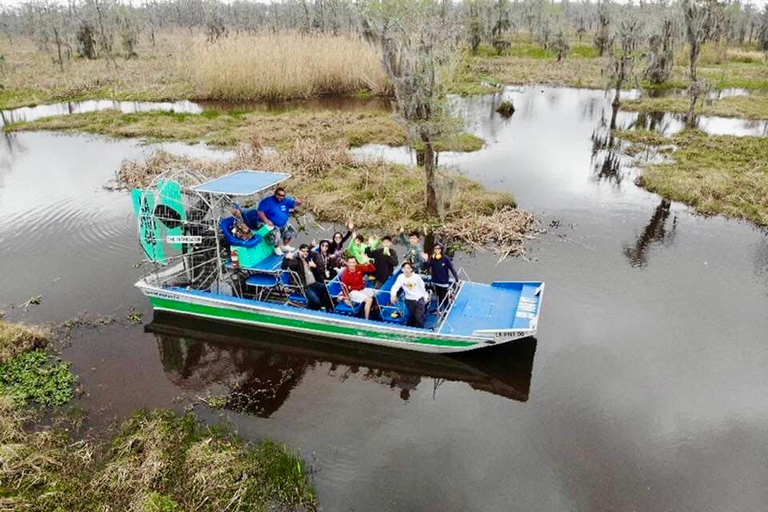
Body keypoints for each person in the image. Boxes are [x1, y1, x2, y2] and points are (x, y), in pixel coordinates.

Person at [282, 244, 333, 311]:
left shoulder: (306, 259)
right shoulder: (296, 261)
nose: (305, 253)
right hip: (304, 287)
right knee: (316, 301)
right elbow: (285, 267)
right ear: (299, 251)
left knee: (326, 288)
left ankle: (322, 305)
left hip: (313, 283)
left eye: (307, 251)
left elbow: (313, 253)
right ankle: (309, 310)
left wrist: (311, 245)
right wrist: (286, 259)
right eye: (303, 251)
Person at [255, 187, 303, 255]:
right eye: (279, 195)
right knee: (275, 234)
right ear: (275, 194)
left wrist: (298, 202)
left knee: (290, 230)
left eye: (282, 196)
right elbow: (260, 212)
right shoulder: (267, 201)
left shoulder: (286, 200)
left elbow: (295, 203)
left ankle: (285, 246)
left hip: (282, 223)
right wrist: (266, 220)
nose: (280, 197)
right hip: (267, 223)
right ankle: (276, 247)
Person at [390, 261, 429, 328]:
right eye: (404, 268)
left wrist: (425, 297)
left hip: (418, 300)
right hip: (408, 300)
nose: (406, 270)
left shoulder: (416, 277)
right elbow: (395, 287)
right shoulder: (400, 277)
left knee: (419, 317)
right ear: (402, 270)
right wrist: (393, 295)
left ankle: (419, 331)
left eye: (408, 268)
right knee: (412, 316)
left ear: (411, 269)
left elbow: (422, 288)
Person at [421, 242, 459, 310]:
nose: (437, 250)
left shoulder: (446, 258)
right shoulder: (432, 258)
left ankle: (447, 309)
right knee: (438, 297)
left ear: (441, 249)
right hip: (435, 281)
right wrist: (425, 260)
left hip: (444, 283)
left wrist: (457, 279)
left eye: (438, 249)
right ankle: (439, 309)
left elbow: (452, 269)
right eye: (435, 249)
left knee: (445, 298)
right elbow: (426, 267)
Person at [340, 255, 377, 320]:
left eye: (353, 262)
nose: (352, 264)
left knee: (379, 293)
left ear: (356, 263)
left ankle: (374, 309)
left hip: (362, 289)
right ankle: (366, 319)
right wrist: (346, 299)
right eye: (350, 262)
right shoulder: (345, 275)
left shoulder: (359, 267)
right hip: (353, 293)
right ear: (347, 263)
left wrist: (368, 262)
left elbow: (372, 269)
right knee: (369, 299)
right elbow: (344, 287)